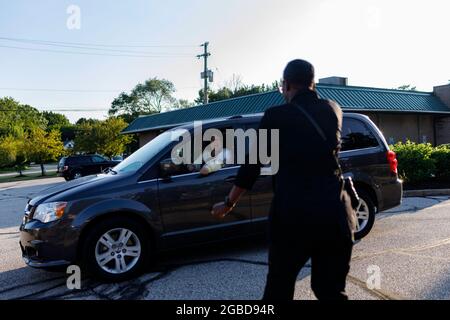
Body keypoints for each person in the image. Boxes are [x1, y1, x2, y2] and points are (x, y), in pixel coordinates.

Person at [211, 59, 355, 300]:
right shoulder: (333, 109)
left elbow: (252, 165)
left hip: (293, 218)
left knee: (278, 291)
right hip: (334, 213)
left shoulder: (276, 116)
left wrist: (228, 203)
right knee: (330, 292)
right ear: (313, 83)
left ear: (286, 85)